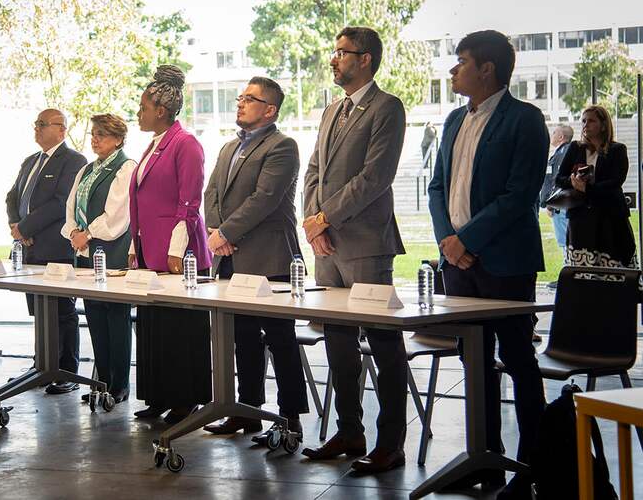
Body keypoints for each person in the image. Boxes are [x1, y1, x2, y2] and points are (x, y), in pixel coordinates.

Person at [427, 30, 547, 498]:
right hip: (457, 261)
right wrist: (447, 241)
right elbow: (437, 187)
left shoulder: (525, 119)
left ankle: (534, 465)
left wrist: (467, 239)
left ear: (487, 69)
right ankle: (486, 459)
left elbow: (520, 195)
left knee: (517, 357)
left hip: (504, 259)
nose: (454, 70)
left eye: (461, 62)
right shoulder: (455, 119)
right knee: (472, 359)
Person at [300, 27, 408, 474]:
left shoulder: (387, 108)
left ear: (365, 59)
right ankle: (349, 431)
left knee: (383, 344)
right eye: (334, 51)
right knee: (338, 341)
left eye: (342, 52)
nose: (333, 59)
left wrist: (326, 218)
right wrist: (312, 222)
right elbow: (313, 172)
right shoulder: (331, 110)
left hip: (364, 243)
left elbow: (374, 177)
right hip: (326, 245)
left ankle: (391, 442)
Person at [201, 76, 309, 442]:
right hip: (230, 258)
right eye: (240, 97)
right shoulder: (228, 148)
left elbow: (264, 198)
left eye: (250, 98)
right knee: (242, 337)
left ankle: (290, 418)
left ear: (270, 109)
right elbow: (211, 192)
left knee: (280, 338)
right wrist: (216, 232)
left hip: (271, 258)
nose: (241, 103)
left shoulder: (282, 146)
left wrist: (225, 234)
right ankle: (246, 412)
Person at [127, 65, 213, 425]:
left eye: (143, 107)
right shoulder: (154, 145)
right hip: (151, 252)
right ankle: (158, 394)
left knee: (180, 332)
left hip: (178, 254)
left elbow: (189, 204)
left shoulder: (186, 144)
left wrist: (176, 249)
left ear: (161, 110)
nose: (139, 113)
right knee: (153, 328)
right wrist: (136, 245)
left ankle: (184, 399)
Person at [6, 108, 87, 394]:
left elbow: (60, 203)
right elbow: (13, 196)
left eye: (43, 124)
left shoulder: (74, 160)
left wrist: (26, 228)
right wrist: (16, 225)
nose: (36, 128)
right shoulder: (30, 161)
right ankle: (42, 364)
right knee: (40, 312)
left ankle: (66, 370)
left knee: (62, 312)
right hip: (30, 249)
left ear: (61, 129)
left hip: (57, 249)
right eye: (36, 123)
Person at [62, 114, 136, 403]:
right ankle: (101, 380)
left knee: (116, 318)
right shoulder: (88, 169)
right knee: (94, 316)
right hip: (86, 251)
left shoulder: (125, 167)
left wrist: (88, 233)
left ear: (118, 139)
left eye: (102, 135)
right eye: (94, 134)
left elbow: (119, 214)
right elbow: (71, 206)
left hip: (112, 251)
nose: (95, 139)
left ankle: (120, 384)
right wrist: (74, 233)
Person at [555, 105, 636, 272]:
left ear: (604, 125)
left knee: (613, 271)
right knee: (582, 274)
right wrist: (574, 182)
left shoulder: (617, 150)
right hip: (580, 220)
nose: (585, 125)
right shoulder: (575, 148)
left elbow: (615, 182)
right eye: (583, 121)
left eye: (591, 121)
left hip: (610, 218)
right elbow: (559, 179)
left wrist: (587, 188)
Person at [539, 124, 574, 279]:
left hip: (560, 205)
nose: (551, 135)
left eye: (554, 132)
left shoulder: (564, 153)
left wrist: (550, 203)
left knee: (565, 240)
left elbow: (556, 180)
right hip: (559, 204)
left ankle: (568, 274)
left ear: (561, 137)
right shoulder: (559, 153)